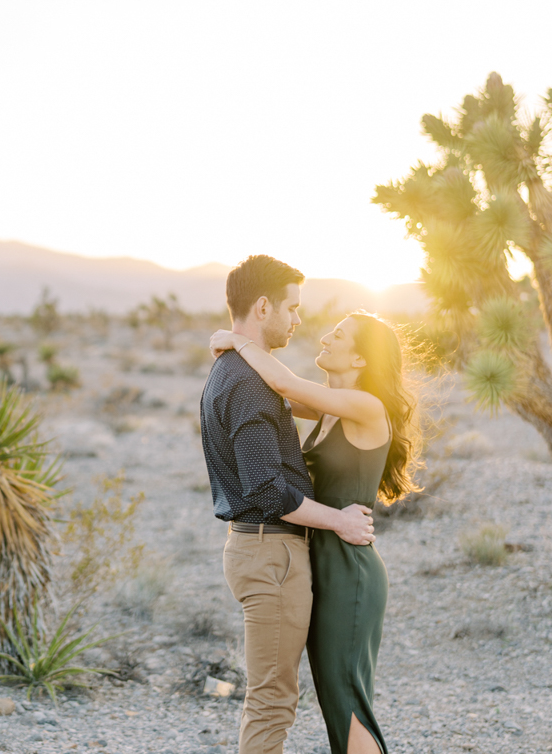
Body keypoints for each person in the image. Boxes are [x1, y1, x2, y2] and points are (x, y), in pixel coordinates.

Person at [210, 309, 421, 754]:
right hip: (324, 560)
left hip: (349, 570)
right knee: (333, 701)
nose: (325, 337)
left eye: (339, 335)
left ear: (361, 360)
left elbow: (285, 385)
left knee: (346, 700)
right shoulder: (328, 407)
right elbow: (272, 393)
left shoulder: (365, 405)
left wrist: (237, 339)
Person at [199, 255, 376, 754]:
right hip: (271, 553)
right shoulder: (246, 382)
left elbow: (298, 392)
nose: (299, 320)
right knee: (272, 702)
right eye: (292, 308)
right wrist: (338, 520)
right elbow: (266, 489)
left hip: (261, 550)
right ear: (262, 307)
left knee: (271, 698)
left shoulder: (233, 371)